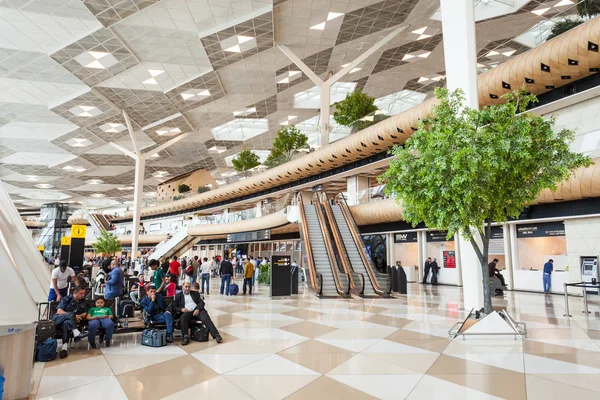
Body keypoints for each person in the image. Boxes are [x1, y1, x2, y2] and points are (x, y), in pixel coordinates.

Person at [52, 286, 88, 359]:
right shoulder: (66, 299)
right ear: (75, 293)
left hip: (68, 322)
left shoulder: (83, 301)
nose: (83, 295)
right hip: (58, 319)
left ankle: (64, 348)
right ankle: (76, 333)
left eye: (84, 293)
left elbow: (85, 313)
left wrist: (77, 316)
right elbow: (59, 311)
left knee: (66, 323)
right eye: (81, 293)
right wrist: (73, 316)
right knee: (70, 315)